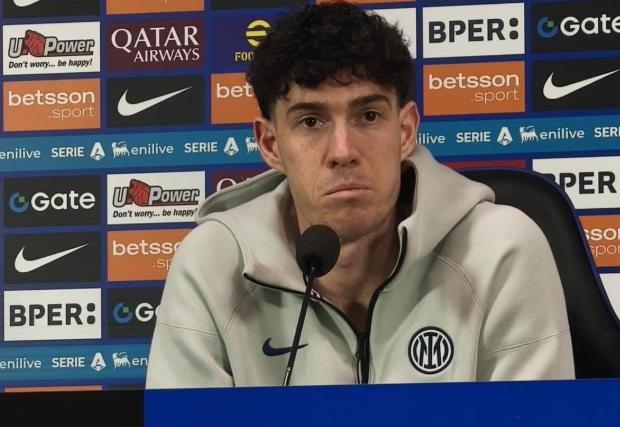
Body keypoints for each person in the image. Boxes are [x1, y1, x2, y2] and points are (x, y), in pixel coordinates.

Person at [146, 1, 574, 388]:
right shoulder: (213, 264)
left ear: (404, 131)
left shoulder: (500, 251)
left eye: (368, 116)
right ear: (271, 144)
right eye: (311, 122)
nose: (343, 151)